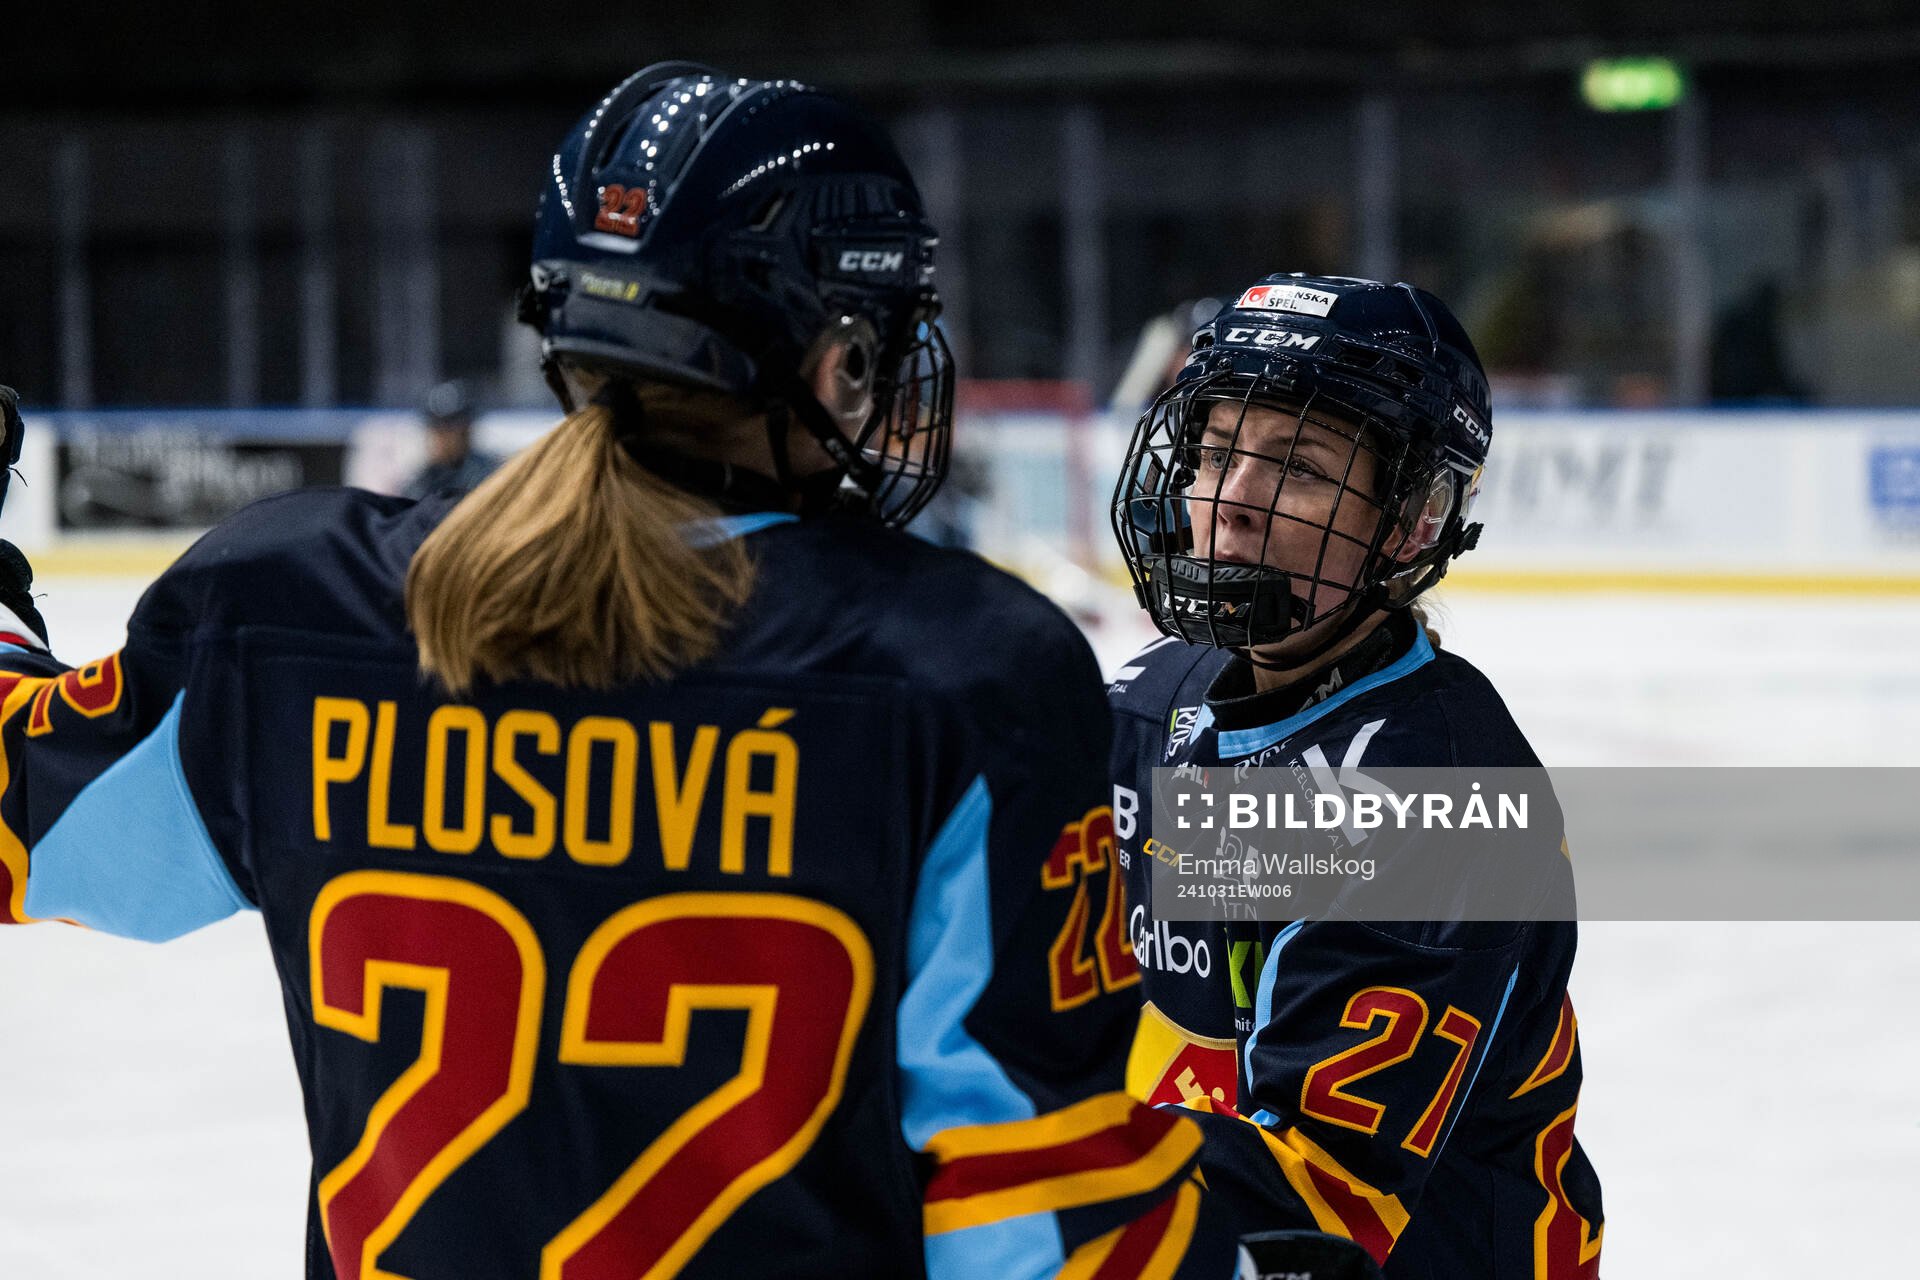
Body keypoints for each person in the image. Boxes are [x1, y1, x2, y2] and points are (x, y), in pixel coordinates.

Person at [0, 68, 1229, 1280]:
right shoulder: (962, 669)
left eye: (1300, 460)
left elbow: (36, 823)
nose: (1244, 498)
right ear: (836, 360)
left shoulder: (285, 609)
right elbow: (1040, 1224)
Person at [1107, 275, 1605, 1276]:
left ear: (1414, 518)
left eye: (1295, 467)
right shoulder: (1146, 702)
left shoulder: (1437, 791)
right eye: (1214, 454)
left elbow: (1317, 1201)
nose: (1230, 504)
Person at [403, 379, 500, 498]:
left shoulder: (489, 477)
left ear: (466, 430)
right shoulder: (420, 484)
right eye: (435, 425)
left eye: (448, 426)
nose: (440, 436)